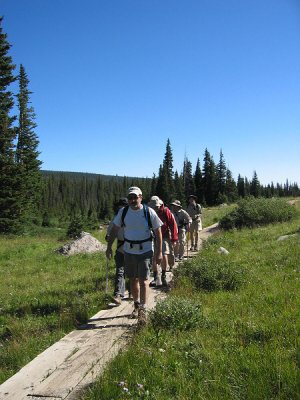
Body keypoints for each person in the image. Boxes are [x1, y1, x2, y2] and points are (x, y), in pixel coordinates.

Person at [106, 186, 163, 325]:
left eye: (135, 197)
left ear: (140, 198)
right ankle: (136, 305)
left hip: (145, 250)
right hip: (129, 251)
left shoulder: (148, 211)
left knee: (144, 281)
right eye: (130, 197)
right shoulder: (123, 212)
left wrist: (159, 252)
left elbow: (158, 233)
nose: (132, 200)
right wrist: (109, 247)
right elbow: (115, 229)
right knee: (132, 279)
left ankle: (143, 310)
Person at [148, 196, 178, 287]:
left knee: (164, 254)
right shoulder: (148, 211)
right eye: (153, 207)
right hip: (152, 237)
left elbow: (173, 224)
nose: (155, 209)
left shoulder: (165, 211)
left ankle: (164, 275)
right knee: (153, 257)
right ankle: (156, 277)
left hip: (164, 236)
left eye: (156, 207)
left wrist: (174, 238)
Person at [105, 197, 128, 305]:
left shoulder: (132, 217)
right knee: (120, 270)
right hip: (120, 247)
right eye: (120, 206)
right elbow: (109, 232)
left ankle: (132, 292)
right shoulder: (116, 218)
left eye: (123, 206)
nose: (121, 208)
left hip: (133, 248)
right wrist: (108, 238)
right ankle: (118, 294)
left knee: (132, 272)